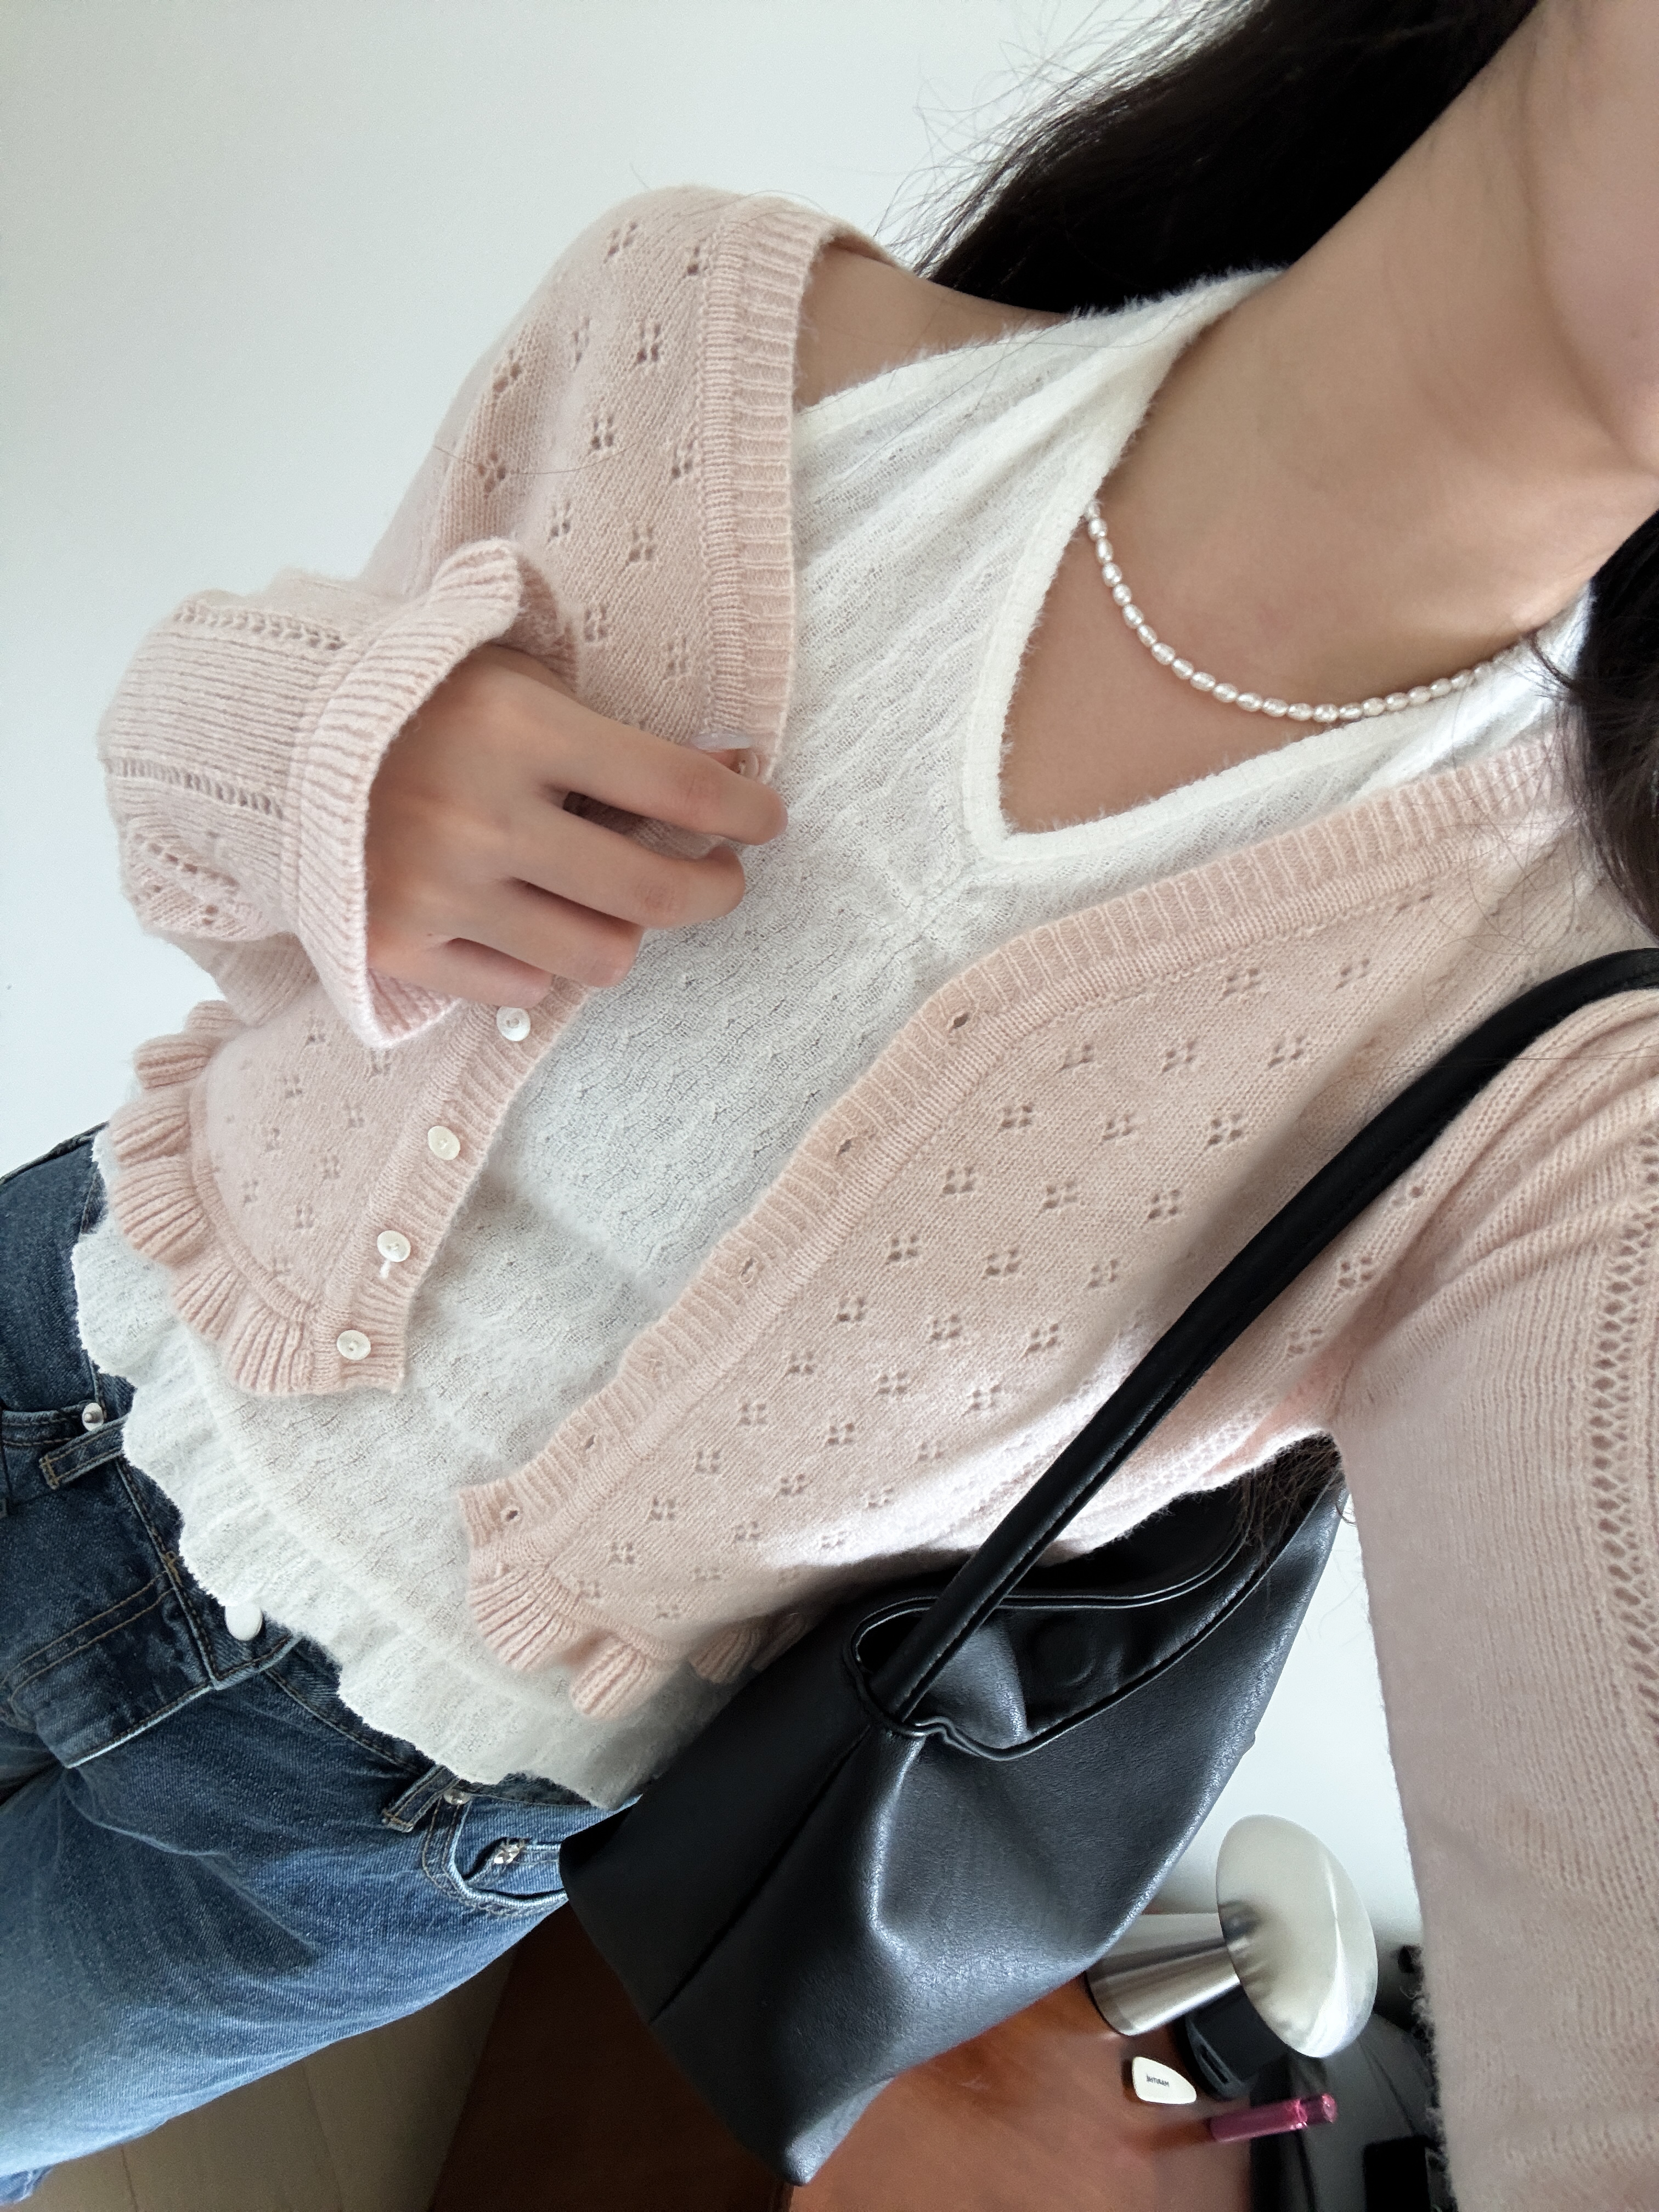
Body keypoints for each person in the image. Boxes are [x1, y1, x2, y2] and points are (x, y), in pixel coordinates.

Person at [4, 0, 1657, 2202]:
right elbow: (176, 810)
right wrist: (336, 761)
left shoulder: (1568, 1076)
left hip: (351, 1825)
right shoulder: (713, 332)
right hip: (57, 1325)